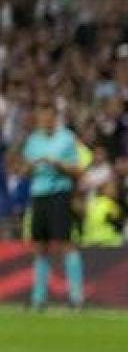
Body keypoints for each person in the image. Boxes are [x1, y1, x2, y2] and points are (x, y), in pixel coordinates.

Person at [21, 103, 85, 309]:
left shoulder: (67, 139)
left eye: (49, 117)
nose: (46, 120)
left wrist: (58, 164)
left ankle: (76, 297)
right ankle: (38, 298)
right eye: (42, 117)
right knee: (40, 246)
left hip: (59, 193)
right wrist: (29, 167)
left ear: (56, 118)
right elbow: (23, 170)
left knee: (66, 243)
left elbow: (77, 170)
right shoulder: (33, 140)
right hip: (39, 195)